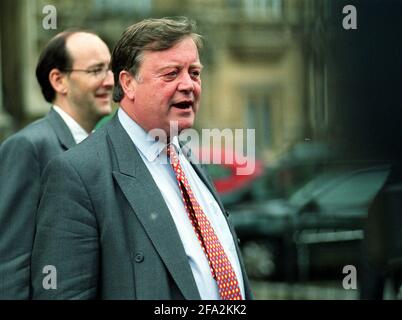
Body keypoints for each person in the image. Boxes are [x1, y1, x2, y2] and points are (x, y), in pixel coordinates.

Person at [30, 17, 253, 300]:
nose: (189, 85)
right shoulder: (77, 174)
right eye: (171, 74)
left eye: (194, 73)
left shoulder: (188, 159)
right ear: (128, 83)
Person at [0, 30, 114, 299]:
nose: (110, 81)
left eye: (110, 69)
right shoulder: (28, 146)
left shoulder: (99, 146)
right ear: (59, 80)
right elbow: (11, 260)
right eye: (97, 70)